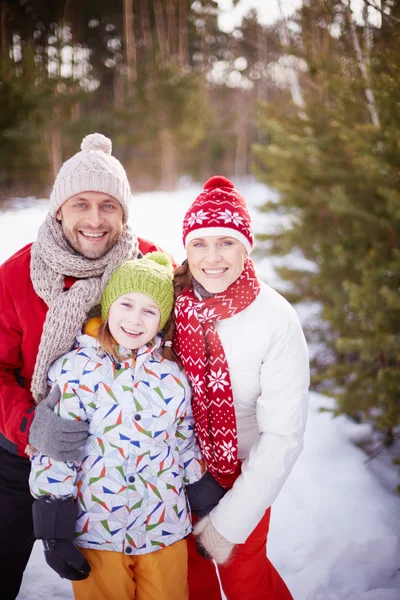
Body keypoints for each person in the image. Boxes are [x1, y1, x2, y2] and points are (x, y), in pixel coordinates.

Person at [0, 133, 165, 600]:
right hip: (18, 455)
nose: (95, 220)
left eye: (109, 206)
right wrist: (31, 426)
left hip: (116, 464)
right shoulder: (16, 276)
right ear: (59, 210)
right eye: (81, 204)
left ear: (124, 212)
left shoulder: (149, 266)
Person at [29, 253, 204, 600]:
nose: (135, 320)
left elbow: (184, 441)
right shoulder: (77, 371)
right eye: (126, 304)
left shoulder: (173, 376)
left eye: (150, 311)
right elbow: (57, 453)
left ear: (163, 320)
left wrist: (206, 500)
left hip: (163, 527)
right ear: (109, 306)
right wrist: (54, 530)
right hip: (97, 530)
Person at [173, 175, 310, 600]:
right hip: (173, 475)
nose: (212, 257)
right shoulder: (170, 304)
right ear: (186, 249)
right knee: (189, 582)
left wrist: (229, 521)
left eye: (226, 242)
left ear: (246, 247)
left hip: (241, 479)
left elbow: (283, 436)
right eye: (199, 243)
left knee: (246, 584)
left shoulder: (275, 319)